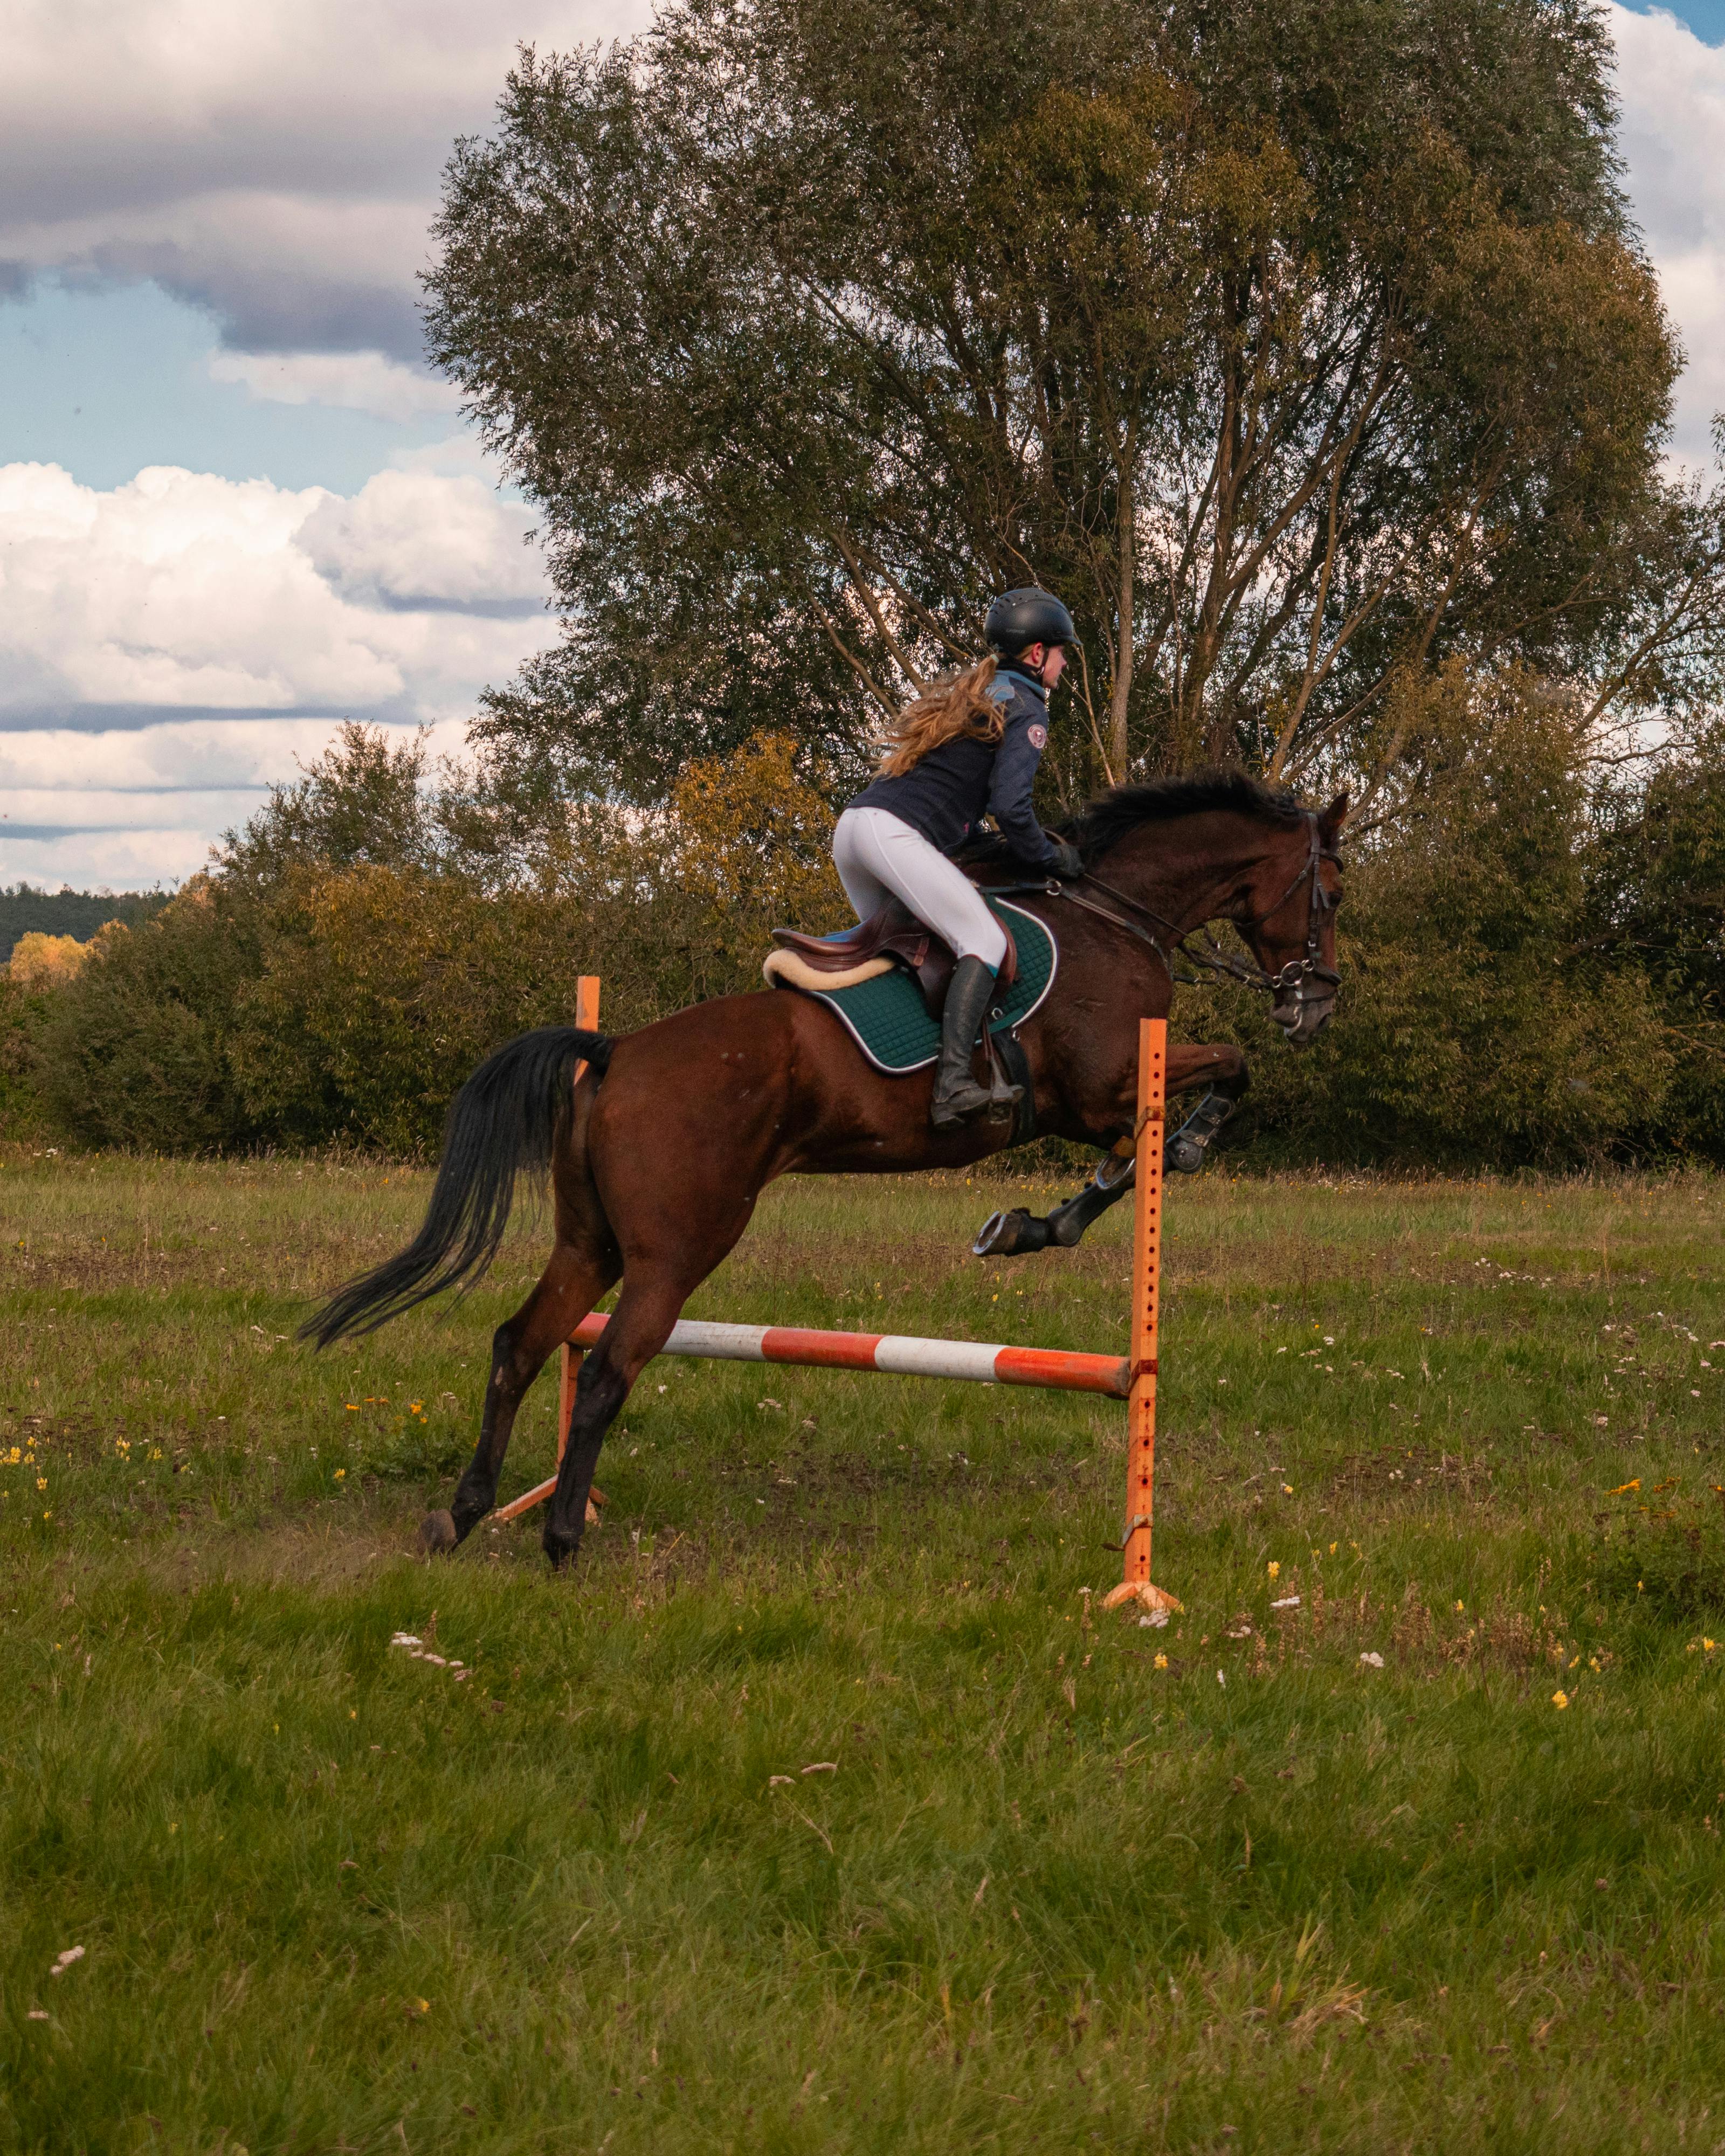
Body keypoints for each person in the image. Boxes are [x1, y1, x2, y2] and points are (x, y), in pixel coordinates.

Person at [834, 586, 1085, 1129]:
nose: (1064, 662)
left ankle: (889, 1070)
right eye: (1060, 651)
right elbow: (1011, 809)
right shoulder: (1027, 708)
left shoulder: (984, 691)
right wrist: (1048, 858)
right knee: (985, 940)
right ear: (1037, 655)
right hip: (893, 835)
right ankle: (950, 1085)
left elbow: (966, 807)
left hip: (855, 829)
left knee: (910, 948)